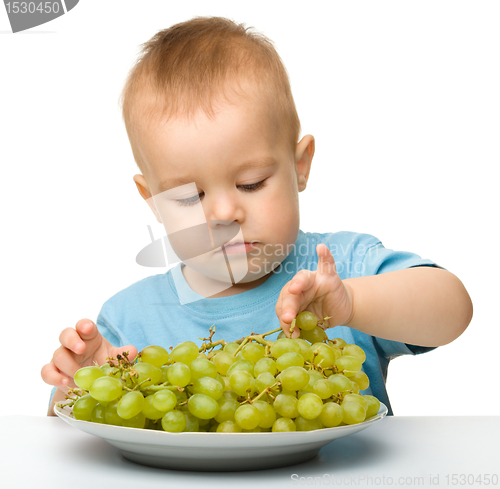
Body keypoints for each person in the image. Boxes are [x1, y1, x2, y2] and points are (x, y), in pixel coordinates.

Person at [41, 16, 473, 417]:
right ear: (152, 200)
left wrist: (353, 303)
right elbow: (65, 443)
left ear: (300, 165)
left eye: (251, 183)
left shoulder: (339, 267)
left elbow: (454, 308)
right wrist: (77, 387)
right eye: (190, 198)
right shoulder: (131, 318)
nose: (225, 213)